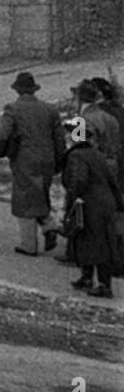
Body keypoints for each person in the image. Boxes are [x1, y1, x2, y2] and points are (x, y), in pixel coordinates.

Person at [0, 71, 65, 256]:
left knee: (25, 199)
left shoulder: (12, 109)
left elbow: (2, 135)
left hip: (25, 158)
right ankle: (50, 226)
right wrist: (60, 160)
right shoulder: (50, 109)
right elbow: (59, 138)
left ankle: (29, 244)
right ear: (34, 90)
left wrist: (0, 151)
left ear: (18, 90)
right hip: (47, 157)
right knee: (41, 193)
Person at [61, 119, 124, 298]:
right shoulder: (95, 154)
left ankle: (102, 284)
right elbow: (111, 181)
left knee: (94, 242)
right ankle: (88, 278)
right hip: (104, 203)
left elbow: (78, 181)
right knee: (91, 240)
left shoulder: (77, 156)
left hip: (90, 204)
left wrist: (71, 202)